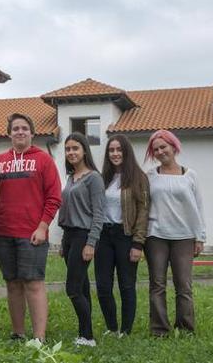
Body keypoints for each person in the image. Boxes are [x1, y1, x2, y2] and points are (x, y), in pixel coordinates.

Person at [0, 113, 61, 344]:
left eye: (24, 128)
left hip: (32, 233)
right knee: (12, 283)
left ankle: (38, 337)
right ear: (9, 133)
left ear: (32, 133)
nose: (20, 132)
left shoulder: (44, 160)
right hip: (3, 232)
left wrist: (43, 227)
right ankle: (18, 332)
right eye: (15, 129)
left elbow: (54, 198)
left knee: (33, 283)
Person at [144, 129, 205, 337]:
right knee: (157, 285)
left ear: (173, 146)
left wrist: (200, 236)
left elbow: (198, 207)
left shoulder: (190, 175)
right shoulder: (150, 176)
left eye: (163, 147)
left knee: (184, 286)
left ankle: (185, 328)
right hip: (155, 236)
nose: (160, 151)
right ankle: (159, 329)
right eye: (156, 149)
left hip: (184, 237)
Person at [95, 134, 149, 336]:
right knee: (103, 285)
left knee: (126, 285)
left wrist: (138, 243)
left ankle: (125, 330)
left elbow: (144, 211)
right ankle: (111, 327)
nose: (115, 154)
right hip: (104, 236)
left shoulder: (138, 178)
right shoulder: (103, 178)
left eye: (119, 150)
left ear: (126, 152)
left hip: (126, 236)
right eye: (111, 150)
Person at [58, 132, 104, 347]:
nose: (71, 152)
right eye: (68, 149)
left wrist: (91, 243)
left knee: (73, 289)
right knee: (82, 288)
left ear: (84, 150)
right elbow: (66, 209)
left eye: (75, 148)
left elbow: (98, 214)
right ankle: (84, 333)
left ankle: (89, 337)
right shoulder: (70, 178)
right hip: (69, 236)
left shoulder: (93, 178)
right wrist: (62, 242)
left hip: (83, 236)